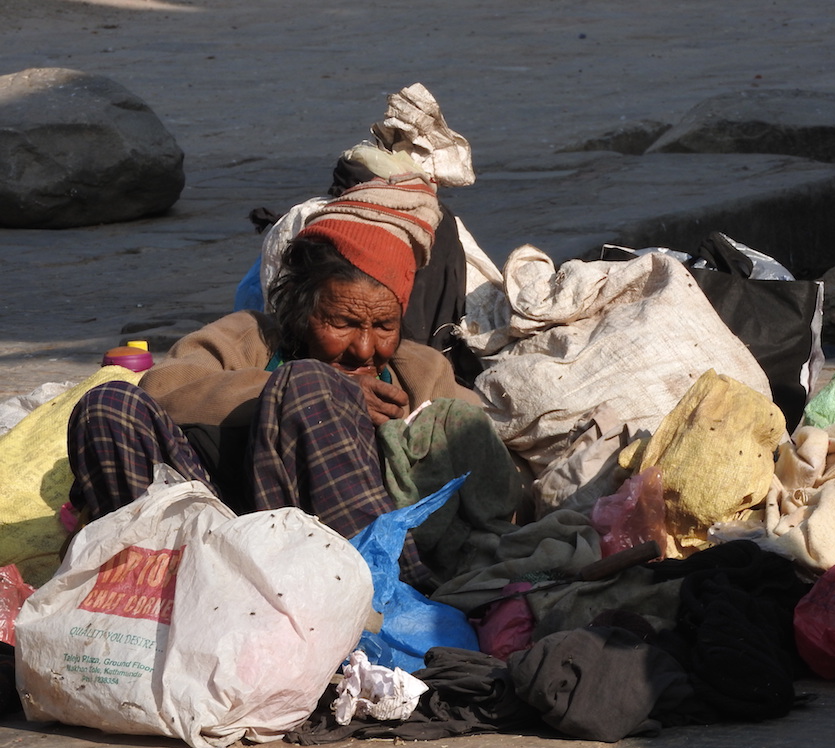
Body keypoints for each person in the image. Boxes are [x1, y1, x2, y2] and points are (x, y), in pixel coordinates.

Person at [66, 159, 517, 589]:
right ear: (300, 312)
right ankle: (155, 599)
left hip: (339, 571)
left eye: (384, 326)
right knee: (106, 407)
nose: (364, 347)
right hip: (214, 543)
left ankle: (390, 597)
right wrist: (305, 392)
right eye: (341, 323)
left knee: (313, 388)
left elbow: (492, 471)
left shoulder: (419, 371)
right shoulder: (249, 339)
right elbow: (163, 391)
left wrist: (410, 442)